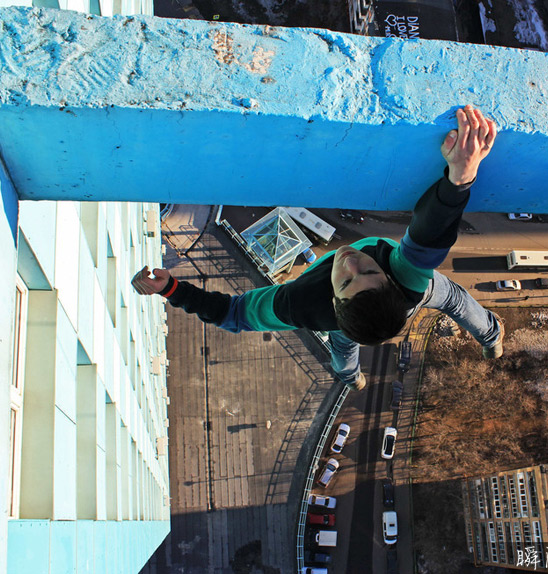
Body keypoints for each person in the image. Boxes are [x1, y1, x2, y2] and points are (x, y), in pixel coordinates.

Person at [132, 105, 503, 391]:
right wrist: (460, 178)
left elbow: (233, 314)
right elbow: (429, 236)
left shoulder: (300, 304)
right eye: (369, 271)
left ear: (336, 302)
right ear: (385, 279)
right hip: (396, 299)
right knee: (451, 297)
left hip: (373, 313)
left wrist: (171, 289)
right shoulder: (404, 277)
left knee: (343, 352)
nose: (351, 260)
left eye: (347, 280)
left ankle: (352, 378)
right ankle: (490, 335)